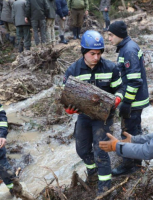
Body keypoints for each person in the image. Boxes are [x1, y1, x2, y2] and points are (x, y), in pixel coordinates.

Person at [62, 30, 124, 195]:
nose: (96, 57)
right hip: (84, 115)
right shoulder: (73, 70)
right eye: (92, 54)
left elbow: (120, 87)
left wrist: (118, 98)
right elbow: (65, 95)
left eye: (99, 53)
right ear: (84, 52)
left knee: (100, 151)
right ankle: (93, 172)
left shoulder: (111, 68)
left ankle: (105, 188)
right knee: (82, 149)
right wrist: (68, 108)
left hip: (104, 116)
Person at [107, 20, 149, 176]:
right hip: (137, 99)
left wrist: (127, 102)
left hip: (134, 101)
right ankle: (137, 162)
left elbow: (135, 80)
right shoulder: (127, 47)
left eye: (111, 35)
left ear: (118, 34)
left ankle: (128, 165)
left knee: (128, 131)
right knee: (135, 131)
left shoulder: (128, 50)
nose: (109, 39)